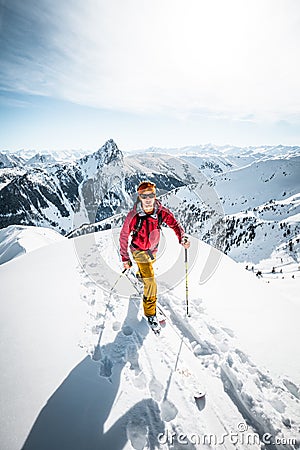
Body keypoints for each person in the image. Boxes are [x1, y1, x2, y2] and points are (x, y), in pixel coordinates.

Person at [119, 180, 190, 330]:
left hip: (153, 250)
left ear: (155, 195)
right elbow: (124, 236)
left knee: (147, 270)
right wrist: (125, 258)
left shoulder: (160, 211)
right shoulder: (133, 216)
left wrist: (181, 237)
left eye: (151, 194)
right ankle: (150, 313)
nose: (148, 198)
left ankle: (140, 276)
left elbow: (175, 224)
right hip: (138, 250)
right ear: (140, 197)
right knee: (151, 282)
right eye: (144, 196)